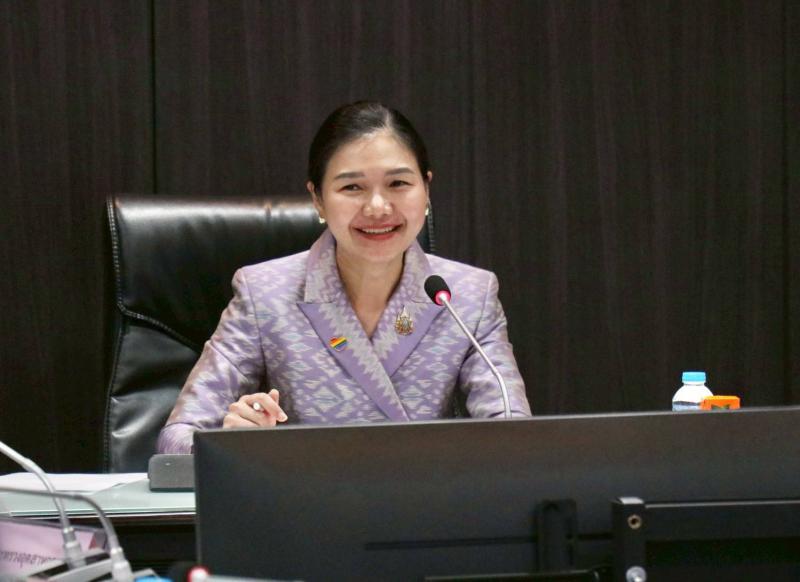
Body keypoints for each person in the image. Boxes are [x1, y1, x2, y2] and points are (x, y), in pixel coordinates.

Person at [157, 101, 531, 454]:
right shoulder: (263, 294)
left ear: (427, 189)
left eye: (398, 184)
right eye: (352, 187)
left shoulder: (466, 296)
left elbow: (514, 439)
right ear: (318, 198)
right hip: (303, 496)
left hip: (426, 496)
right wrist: (231, 444)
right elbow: (176, 440)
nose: (378, 207)